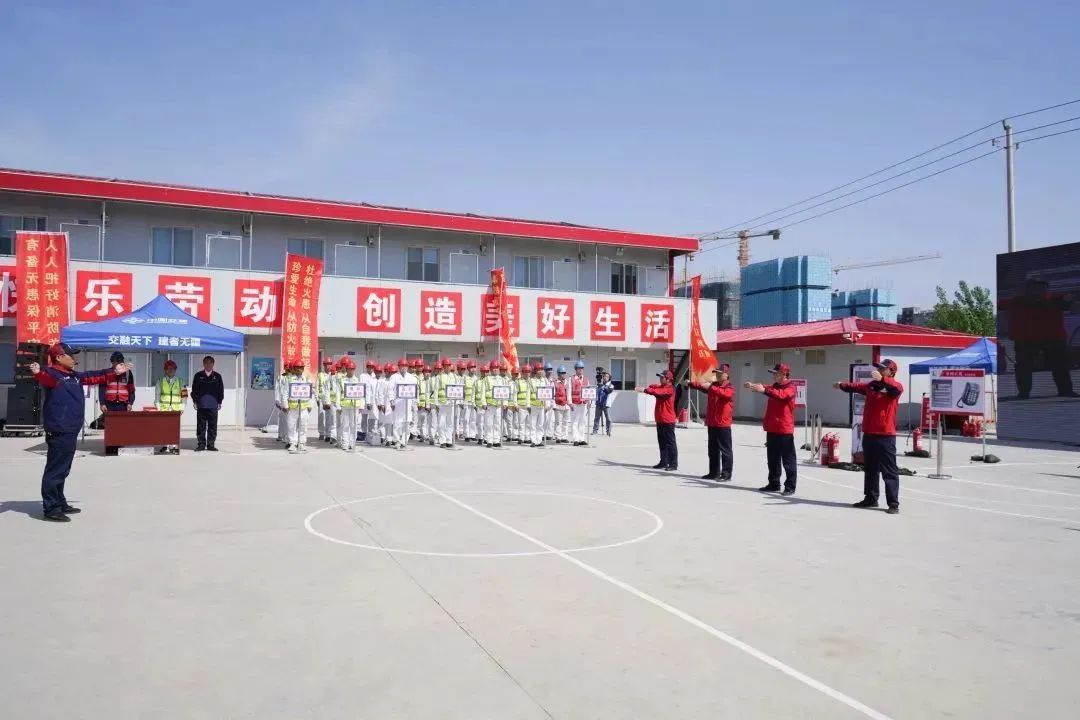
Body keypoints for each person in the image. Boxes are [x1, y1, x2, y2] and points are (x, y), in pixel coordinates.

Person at [30, 344, 130, 522]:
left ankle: (60, 502)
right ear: (59, 357)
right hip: (59, 429)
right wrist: (38, 373)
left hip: (70, 428)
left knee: (64, 468)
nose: (74, 358)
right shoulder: (53, 375)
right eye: (70, 355)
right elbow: (44, 378)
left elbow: (93, 376)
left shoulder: (74, 376)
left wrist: (114, 371)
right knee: (56, 469)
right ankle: (51, 509)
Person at [835, 359, 904, 514]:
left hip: (886, 436)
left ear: (891, 372)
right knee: (870, 469)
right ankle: (871, 498)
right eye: (878, 368)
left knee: (889, 471)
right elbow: (856, 386)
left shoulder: (895, 387)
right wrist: (841, 385)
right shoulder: (871, 386)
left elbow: (896, 389)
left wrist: (883, 380)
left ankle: (893, 504)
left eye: (883, 369)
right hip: (869, 434)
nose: (879, 371)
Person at [1000, 279, 1077, 399]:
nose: (1039, 290)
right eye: (1035, 287)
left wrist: (1069, 299)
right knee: (1024, 366)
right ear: (1028, 289)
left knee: (1059, 365)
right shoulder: (1018, 301)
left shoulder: (1055, 300)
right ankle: (1024, 393)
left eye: (1042, 287)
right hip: (1027, 338)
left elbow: (1068, 302)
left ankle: (1065, 390)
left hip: (1051, 338)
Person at [745, 362, 798, 496]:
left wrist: (764, 390)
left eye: (776, 373)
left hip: (784, 429)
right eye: (773, 373)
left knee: (788, 460)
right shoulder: (775, 386)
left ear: (784, 374)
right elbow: (767, 387)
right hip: (772, 428)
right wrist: (753, 385)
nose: (773, 375)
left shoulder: (791, 387)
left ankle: (790, 486)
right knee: (773, 459)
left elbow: (782, 395)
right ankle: (774, 483)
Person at [691, 364, 735, 480]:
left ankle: (726, 474)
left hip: (723, 424)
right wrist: (691, 383)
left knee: (725, 450)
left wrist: (710, 387)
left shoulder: (729, 387)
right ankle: (713, 472)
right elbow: (702, 386)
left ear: (726, 374)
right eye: (717, 373)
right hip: (712, 423)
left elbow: (726, 394)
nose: (718, 375)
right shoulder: (714, 385)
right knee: (713, 450)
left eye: (720, 373)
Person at [638, 370, 678, 470]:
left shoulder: (670, 389)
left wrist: (645, 390)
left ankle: (673, 464)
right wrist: (651, 387)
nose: (660, 379)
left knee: (670, 443)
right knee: (662, 442)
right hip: (660, 419)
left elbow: (657, 391)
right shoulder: (661, 387)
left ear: (668, 379)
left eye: (662, 377)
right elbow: (653, 387)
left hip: (668, 420)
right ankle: (663, 461)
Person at [279, 359, 313, 453]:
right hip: (292, 407)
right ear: (294, 368)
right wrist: (285, 405)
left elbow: (311, 393)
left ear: (303, 369)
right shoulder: (289, 379)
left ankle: (301, 443)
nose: (299, 369)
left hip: (304, 407)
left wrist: (310, 405)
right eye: (297, 367)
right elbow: (285, 393)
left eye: (301, 368)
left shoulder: (307, 379)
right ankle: (292, 443)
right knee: (291, 426)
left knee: (303, 426)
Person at [191, 355, 224, 452]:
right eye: (206, 362)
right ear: (203, 364)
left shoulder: (217, 376)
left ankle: (211, 445)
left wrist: (219, 402)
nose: (208, 364)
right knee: (201, 426)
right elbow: (194, 390)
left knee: (212, 426)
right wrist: (195, 401)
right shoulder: (198, 376)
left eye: (210, 362)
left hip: (213, 406)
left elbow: (220, 390)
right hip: (201, 405)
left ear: (213, 364)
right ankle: (201, 444)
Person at [156, 359, 185, 454]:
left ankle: (174, 447)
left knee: (174, 428)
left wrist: (183, 406)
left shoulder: (181, 381)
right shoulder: (160, 381)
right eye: (168, 368)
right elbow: (157, 395)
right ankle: (165, 445)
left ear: (175, 370)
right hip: (164, 408)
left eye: (172, 368)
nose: (170, 370)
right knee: (164, 428)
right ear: (165, 370)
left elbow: (184, 395)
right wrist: (158, 407)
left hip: (176, 409)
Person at [334, 358, 363, 452]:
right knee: (345, 425)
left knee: (354, 426)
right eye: (349, 369)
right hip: (345, 406)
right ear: (346, 370)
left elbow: (361, 393)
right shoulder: (341, 380)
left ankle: (352, 443)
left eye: (352, 369)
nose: (351, 371)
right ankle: (345, 444)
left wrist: (361, 405)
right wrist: (338, 406)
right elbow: (338, 393)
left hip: (355, 406)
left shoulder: (357, 380)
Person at [388, 359, 418, 449]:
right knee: (397, 423)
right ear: (399, 366)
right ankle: (397, 440)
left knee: (407, 423)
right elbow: (390, 389)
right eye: (401, 366)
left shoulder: (412, 377)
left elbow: (415, 390)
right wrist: (391, 401)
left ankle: (404, 441)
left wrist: (414, 403)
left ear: (407, 367)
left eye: (405, 366)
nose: (403, 367)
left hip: (408, 403)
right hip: (397, 403)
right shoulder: (394, 377)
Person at [99, 351, 135, 415]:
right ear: (112, 362)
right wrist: (102, 403)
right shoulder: (106, 373)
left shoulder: (128, 373)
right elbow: (102, 389)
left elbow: (131, 389)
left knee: (121, 421)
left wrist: (130, 403)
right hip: (109, 404)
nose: (117, 364)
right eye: (115, 362)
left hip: (123, 405)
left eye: (119, 362)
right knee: (110, 421)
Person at [484, 360, 508, 448]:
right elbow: (483, 392)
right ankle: (489, 441)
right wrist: (484, 403)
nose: (495, 369)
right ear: (490, 369)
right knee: (489, 424)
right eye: (493, 368)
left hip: (498, 405)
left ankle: (496, 440)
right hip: (490, 405)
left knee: (498, 424)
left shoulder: (502, 380)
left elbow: (505, 391)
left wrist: (505, 402)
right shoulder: (487, 379)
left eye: (496, 368)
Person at [569, 361, 593, 446]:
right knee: (575, 422)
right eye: (579, 368)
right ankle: (575, 439)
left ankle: (581, 439)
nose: (580, 370)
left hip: (583, 403)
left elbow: (589, 391)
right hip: (575, 403)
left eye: (582, 368)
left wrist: (589, 401)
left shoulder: (586, 379)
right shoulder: (571, 379)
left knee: (582, 421)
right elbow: (568, 391)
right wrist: (570, 403)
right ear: (576, 369)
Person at [527, 361, 547, 447]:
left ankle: (539, 440)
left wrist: (547, 405)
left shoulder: (545, 380)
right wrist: (528, 405)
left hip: (542, 405)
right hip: (533, 405)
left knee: (540, 424)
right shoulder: (531, 381)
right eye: (538, 370)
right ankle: (533, 441)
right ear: (535, 371)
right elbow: (528, 393)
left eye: (541, 370)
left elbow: (548, 393)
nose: (540, 371)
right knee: (533, 424)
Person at [316, 358, 335, 443]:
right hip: (321, 398)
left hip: (330, 399)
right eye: (326, 364)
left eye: (329, 364)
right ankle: (321, 432)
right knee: (321, 416)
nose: (328, 366)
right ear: (324, 365)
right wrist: (317, 398)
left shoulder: (333, 374)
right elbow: (317, 387)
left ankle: (328, 434)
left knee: (330, 417)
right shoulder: (320, 375)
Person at [360, 359, 379, 445]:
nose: (370, 369)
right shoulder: (362, 376)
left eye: (372, 367)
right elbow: (362, 388)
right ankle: (364, 432)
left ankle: (371, 432)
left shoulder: (375, 376)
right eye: (369, 367)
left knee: (372, 417)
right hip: (364, 399)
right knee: (364, 417)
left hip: (373, 400)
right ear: (366, 367)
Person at [552, 366, 571, 443]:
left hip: (567, 405)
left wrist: (570, 403)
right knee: (558, 422)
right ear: (558, 374)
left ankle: (564, 437)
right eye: (561, 373)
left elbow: (569, 393)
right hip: (558, 405)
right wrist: (553, 405)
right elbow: (552, 394)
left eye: (564, 373)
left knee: (565, 422)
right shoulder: (555, 383)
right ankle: (558, 437)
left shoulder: (567, 382)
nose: (563, 374)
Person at [593, 372, 615, 436]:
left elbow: (608, 391)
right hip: (599, 403)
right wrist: (598, 386)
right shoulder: (599, 385)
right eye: (604, 376)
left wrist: (603, 387)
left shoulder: (611, 385)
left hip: (606, 404)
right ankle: (595, 430)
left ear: (609, 378)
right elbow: (596, 392)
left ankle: (608, 431)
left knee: (608, 418)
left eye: (607, 377)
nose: (605, 378)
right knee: (596, 418)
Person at [473, 362, 489, 444]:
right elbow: (473, 393)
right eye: (483, 371)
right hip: (479, 406)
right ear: (481, 372)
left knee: (487, 423)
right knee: (480, 423)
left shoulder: (490, 381)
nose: (485, 373)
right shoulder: (477, 381)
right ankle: (480, 438)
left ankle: (486, 438)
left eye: (486, 371)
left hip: (488, 406)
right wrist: (474, 404)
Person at [542, 363, 557, 441]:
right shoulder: (542, 380)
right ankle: (542, 434)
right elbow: (541, 392)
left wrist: (553, 404)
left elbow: (554, 393)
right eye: (548, 370)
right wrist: (544, 404)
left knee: (551, 420)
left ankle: (549, 434)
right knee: (544, 419)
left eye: (550, 370)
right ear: (545, 371)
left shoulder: (552, 381)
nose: (549, 371)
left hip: (551, 402)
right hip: (544, 402)